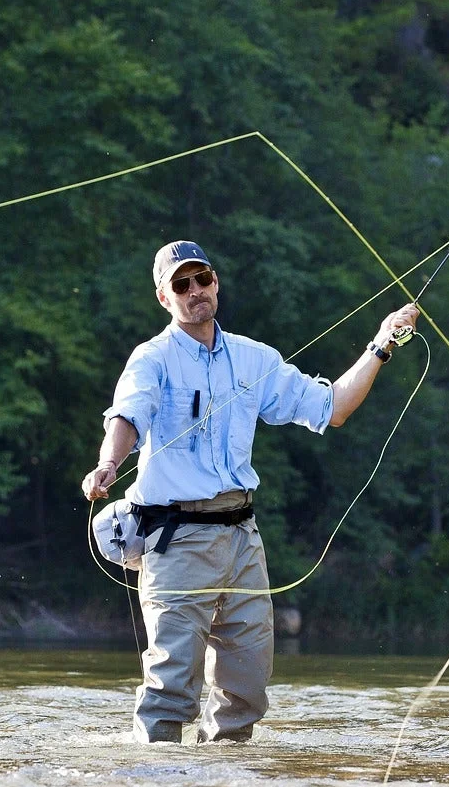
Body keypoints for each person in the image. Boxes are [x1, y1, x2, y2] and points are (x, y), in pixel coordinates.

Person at [83, 241, 418, 743]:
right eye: (182, 284)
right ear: (164, 297)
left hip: (243, 539)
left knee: (247, 689)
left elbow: (332, 408)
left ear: (215, 282)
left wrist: (381, 344)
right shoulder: (151, 358)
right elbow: (128, 415)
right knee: (171, 686)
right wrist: (109, 463)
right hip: (175, 540)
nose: (196, 290)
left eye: (203, 279)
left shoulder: (255, 357)